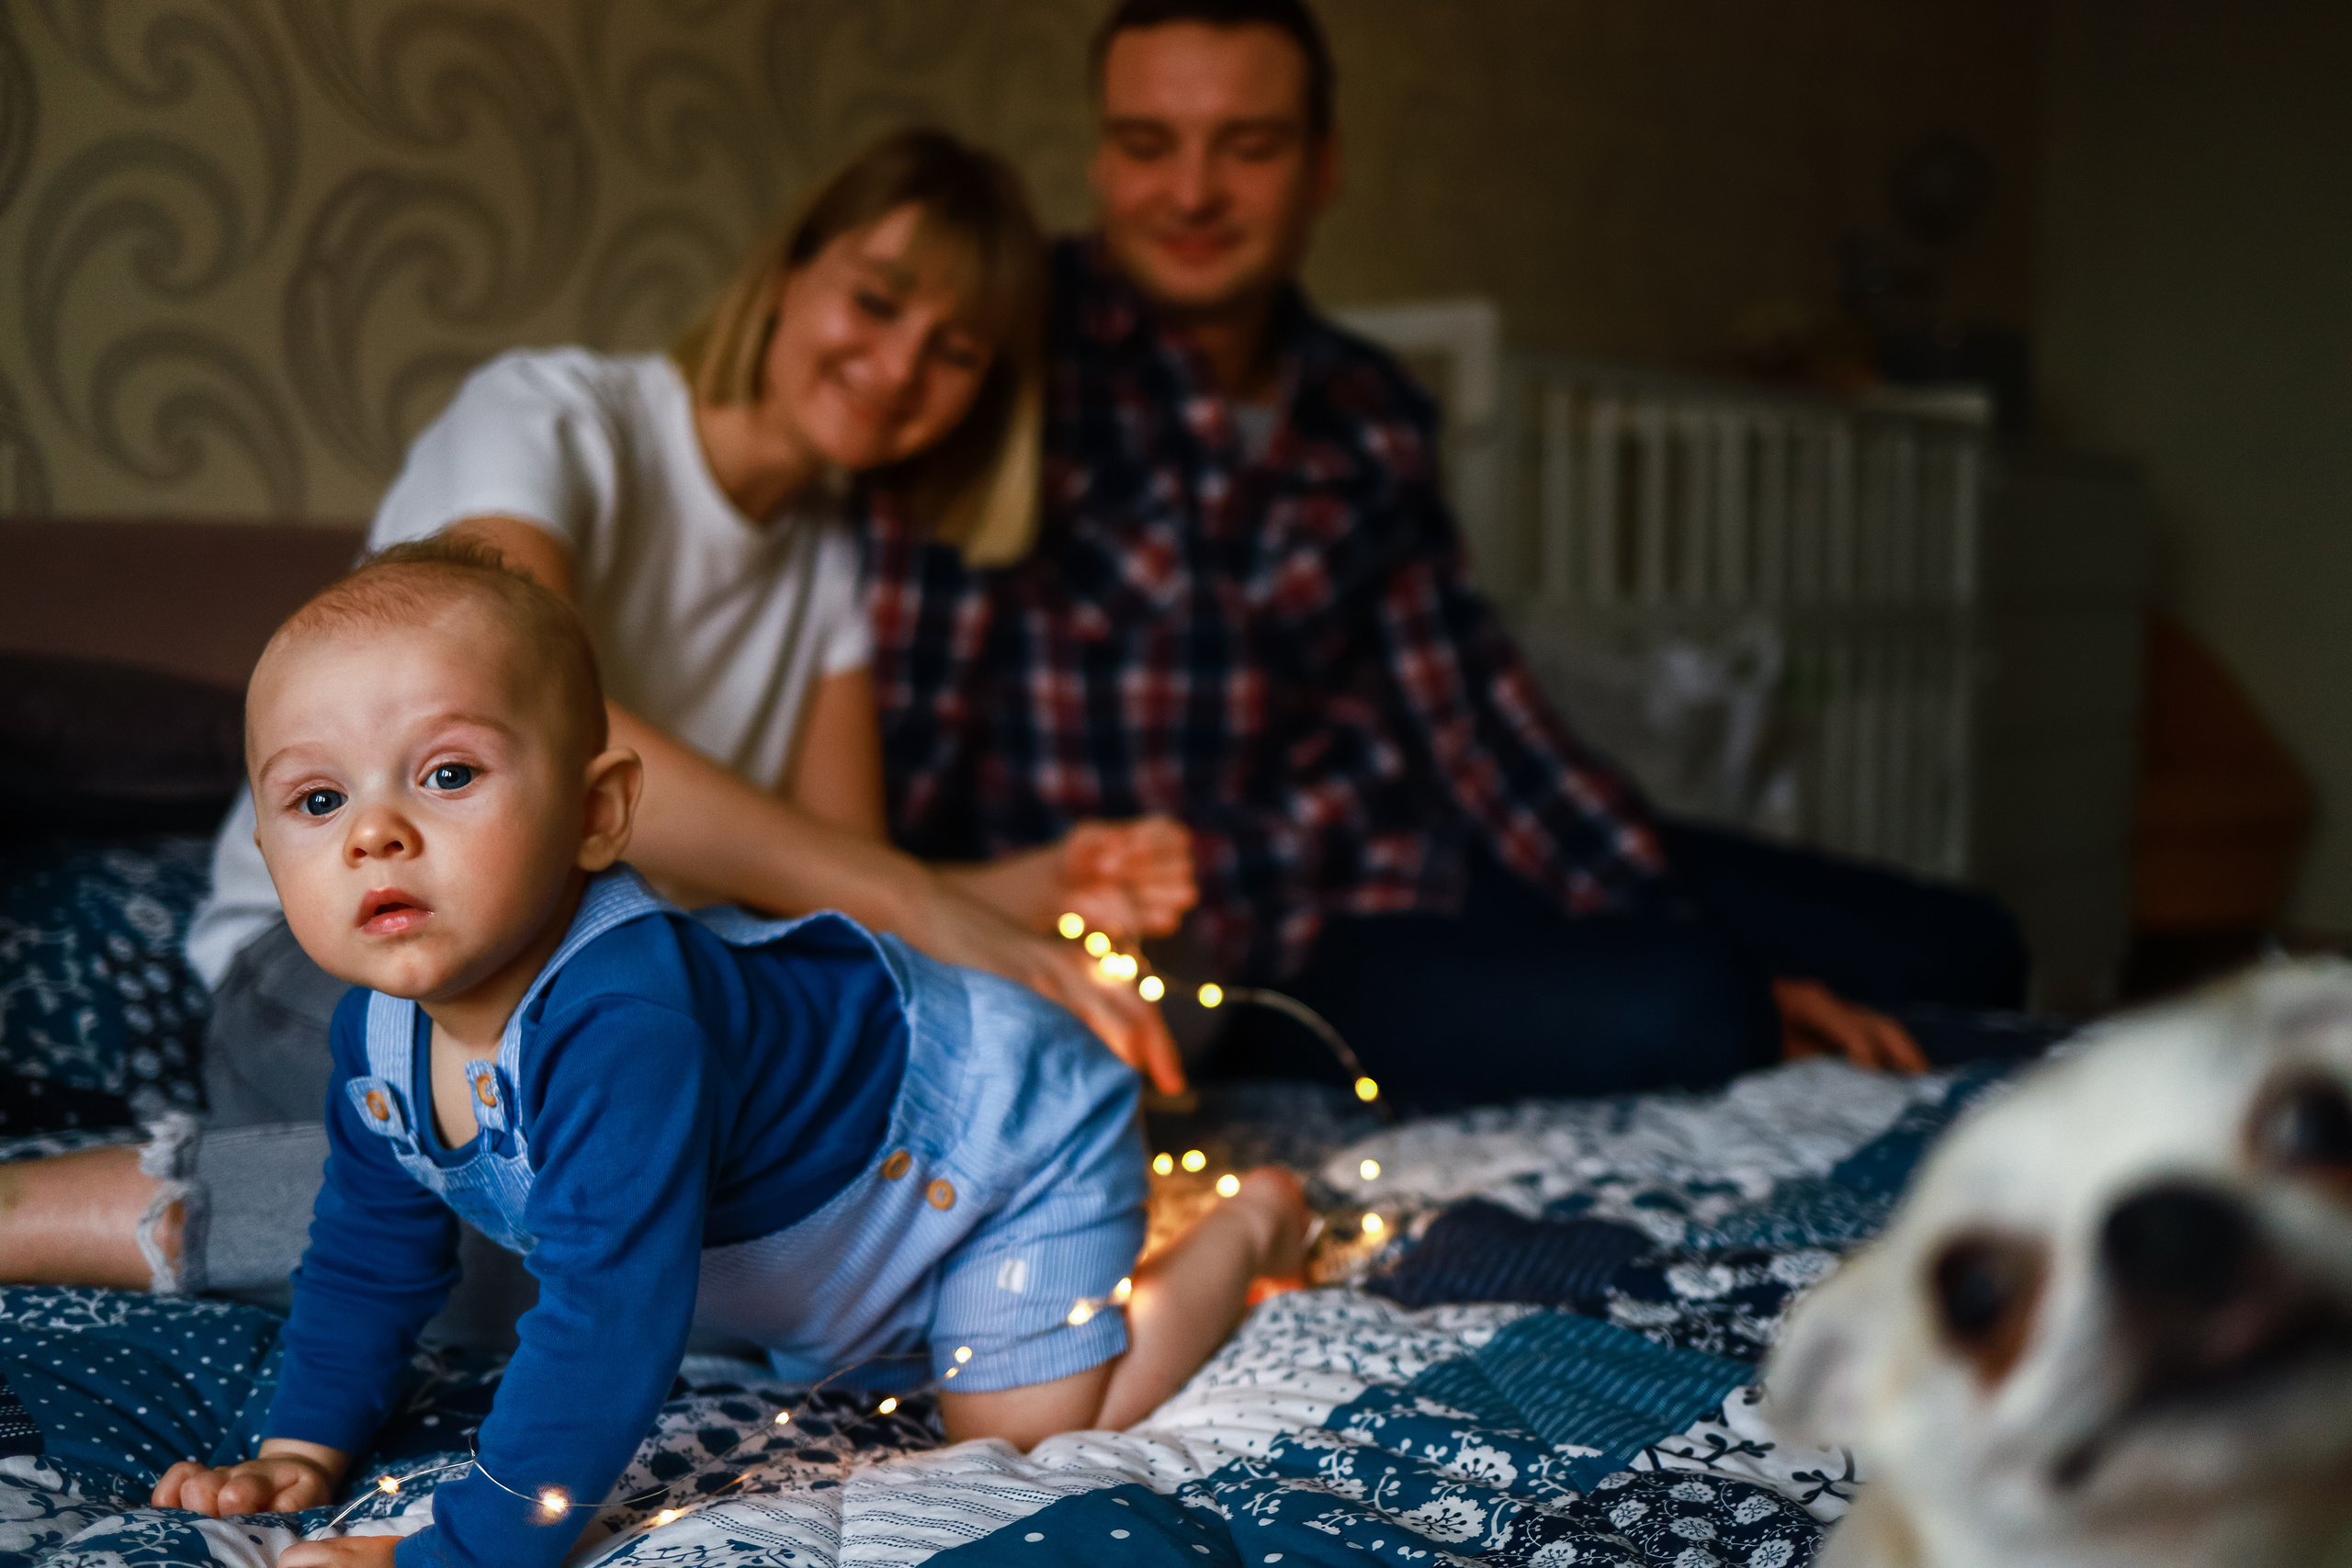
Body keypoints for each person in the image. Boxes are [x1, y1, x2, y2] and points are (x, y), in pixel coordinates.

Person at [0, 130, 1192, 1303]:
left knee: (757, 1162)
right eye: (876, 302)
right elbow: (544, 734)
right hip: (353, 953)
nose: (897, 365)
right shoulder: (553, 415)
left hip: (582, 986)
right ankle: (80, 1204)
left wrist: (1039, 885)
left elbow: (833, 883)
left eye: (955, 350)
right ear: (789, 272)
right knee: (615, 1201)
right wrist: (916, 898)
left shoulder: (829, 562)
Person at [866, 0, 2030, 1112]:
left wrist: (1650, 911)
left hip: (1414, 845)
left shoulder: (1367, 407)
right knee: (1698, 1006)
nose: (1191, 193)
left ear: (1322, 166)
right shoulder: (1006, 359)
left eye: (1249, 147)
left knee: (1960, 946)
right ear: (1101, 160)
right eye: (1145, 145)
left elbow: (1478, 726)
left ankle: (1705, 966)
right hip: (1254, 950)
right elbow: (902, 771)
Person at [149, 544, 1306, 1568]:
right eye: (315, 798)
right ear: (265, 844)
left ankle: (1250, 1223)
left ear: (598, 816)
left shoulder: (622, 1019)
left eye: (448, 774)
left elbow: (609, 1320)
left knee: (1017, 1432)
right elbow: (368, 1253)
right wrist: (301, 1444)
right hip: (836, 1242)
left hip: (997, 1143)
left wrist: (469, 1547)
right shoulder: (374, 1034)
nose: (373, 832)